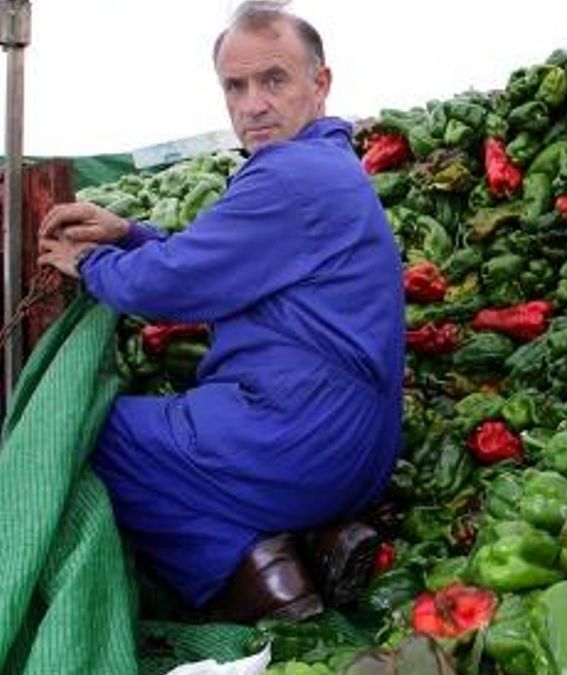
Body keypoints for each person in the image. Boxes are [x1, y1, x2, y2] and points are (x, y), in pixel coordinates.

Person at [37, 0, 404, 623]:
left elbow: (174, 285)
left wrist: (91, 264)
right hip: (356, 448)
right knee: (183, 430)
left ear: (321, 85)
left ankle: (261, 584)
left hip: (300, 439)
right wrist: (128, 233)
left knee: (92, 431)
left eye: (274, 80)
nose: (252, 104)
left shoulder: (290, 173)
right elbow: (222, 266)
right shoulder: (325, 165)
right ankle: (314, 537)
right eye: (235, 86)